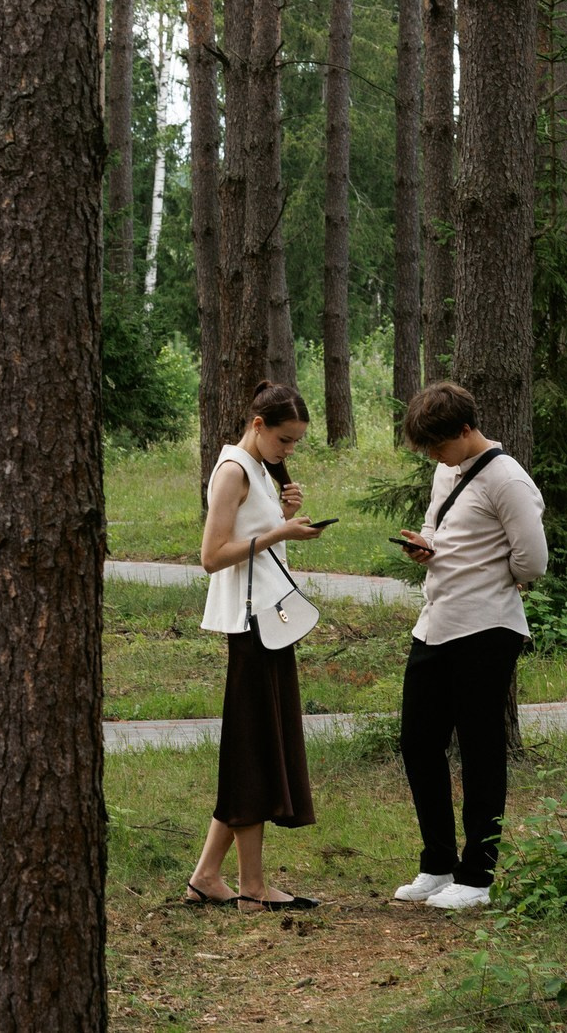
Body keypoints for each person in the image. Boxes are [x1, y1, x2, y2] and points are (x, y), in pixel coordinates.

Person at [388, 380, 548, 912]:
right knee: (418, 741)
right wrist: (427, 549)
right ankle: (438, 864)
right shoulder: (446, 469)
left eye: (438, 445)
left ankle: (477, 876)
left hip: (486, 628)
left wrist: (481, 571)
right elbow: (443, 532)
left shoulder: (508, 480)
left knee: (480, 750)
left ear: (464, 430)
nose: (433, 455)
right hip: (435, 622)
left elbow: (532, 562)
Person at [182, 381, 327, 911]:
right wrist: (280, 533)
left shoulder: (261, 470)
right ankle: (253, 890)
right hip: (249, 628)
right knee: (252, 755)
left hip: (270, 622)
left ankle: (207, 877)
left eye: (296, 444)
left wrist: (284, 510)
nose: (290, 451)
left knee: (254, 748)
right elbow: (212, 555)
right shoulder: (233, 471)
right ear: (258, 425)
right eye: (285, 440)